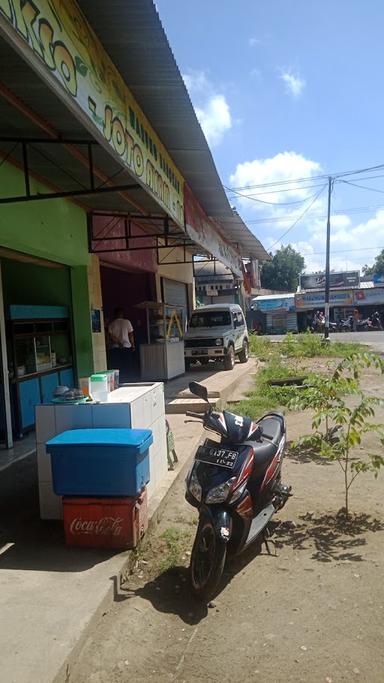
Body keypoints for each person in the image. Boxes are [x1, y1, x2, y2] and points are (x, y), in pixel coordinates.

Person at [108, 308, 135, 383]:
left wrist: (119, 343)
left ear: (115, 314)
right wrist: (133, 345)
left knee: (117, 366)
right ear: (122, 314)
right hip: (126, 346)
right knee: (128, 365)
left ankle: (119, 381)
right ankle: (129, 380)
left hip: (115, 348)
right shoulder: (127, 322)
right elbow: (131, 335)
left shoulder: (111, 324)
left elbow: (111, 336)